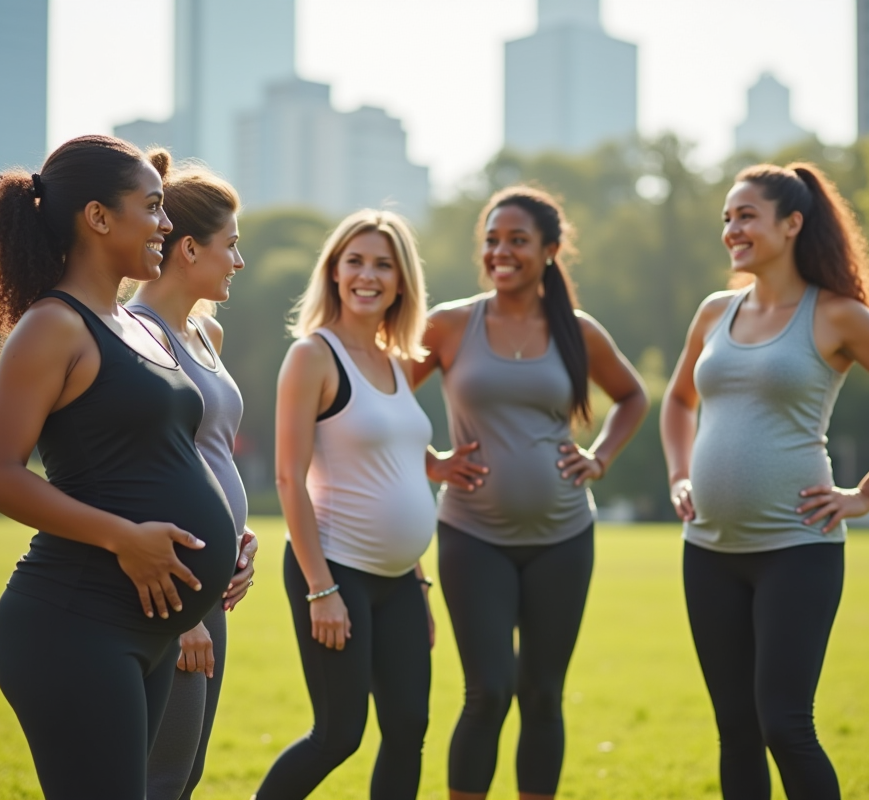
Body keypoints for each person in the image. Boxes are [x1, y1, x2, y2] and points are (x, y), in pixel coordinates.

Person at [660, 162, 869, 800]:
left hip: (798, 550)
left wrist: (865, 493)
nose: (732, 230)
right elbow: (678, 401)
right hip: (708, 552)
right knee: (735, 730)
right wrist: (680, 474)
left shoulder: (838, 317)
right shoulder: (715, 312)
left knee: (785, 725)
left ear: (791, 224)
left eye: (746, 216)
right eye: (727, 218)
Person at [0, 135, 239, 800]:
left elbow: (163, 455)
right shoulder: (54, 326)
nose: (167, 224)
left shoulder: (137, 325)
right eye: (152, 207)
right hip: (75, 622)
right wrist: (123, 537)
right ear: (98, 217)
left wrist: (229, 542)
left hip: (148, 626)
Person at [413, 186, 648, 800]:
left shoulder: (579, 331)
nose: (501, 252)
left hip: (564, 538)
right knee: (488, 690)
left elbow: (632, 396)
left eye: (516, 240)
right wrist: (432, 463)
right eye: (491, 240)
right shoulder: (450, 324)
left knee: (542, 694)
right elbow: (376, 398)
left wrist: (599, 458)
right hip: (472, 536)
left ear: (549, 249)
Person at [257, 210, 438, 800]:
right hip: (336, 572)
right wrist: (321, 588)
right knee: (339, 734)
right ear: (334, 272)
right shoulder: (313, 356)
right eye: (355, 261)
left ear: (402, 280)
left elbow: (395, 469)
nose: (369, 275)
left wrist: (417, 579)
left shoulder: (394, 361)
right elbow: (289, 477)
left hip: (400, 581)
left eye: (383, 264)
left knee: (409, 727)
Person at [126, 155, 258, 800]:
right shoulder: (137, 336)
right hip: (170, 593)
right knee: (162, 776)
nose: (238, 261)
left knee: (187, 775)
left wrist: (240, 533)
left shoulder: (208, 331)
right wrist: (183, 619)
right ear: (187, 248)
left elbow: (212, 453)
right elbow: (132, 476)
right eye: (230, 246)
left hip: (212, 584)